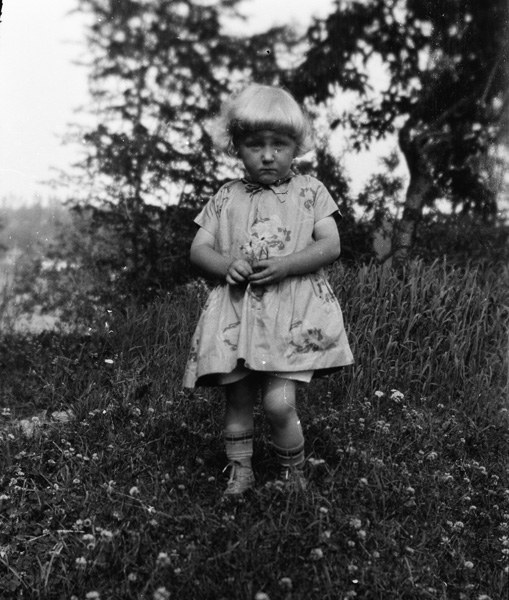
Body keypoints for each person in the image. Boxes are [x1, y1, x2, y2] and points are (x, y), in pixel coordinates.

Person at [183, 83, 353, 496]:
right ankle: (240, 473)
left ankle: (293, 477)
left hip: (291, 313)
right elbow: (198, 249)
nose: (268, 154)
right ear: (236, 146)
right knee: (238, 400)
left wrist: (286, 264)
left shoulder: (310, 191)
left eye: (279, 144)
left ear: (296, 147)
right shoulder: (226, 197)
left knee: (279, 403)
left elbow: (330, 245)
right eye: (255, 144)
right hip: (237, 314)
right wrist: (227, 264)